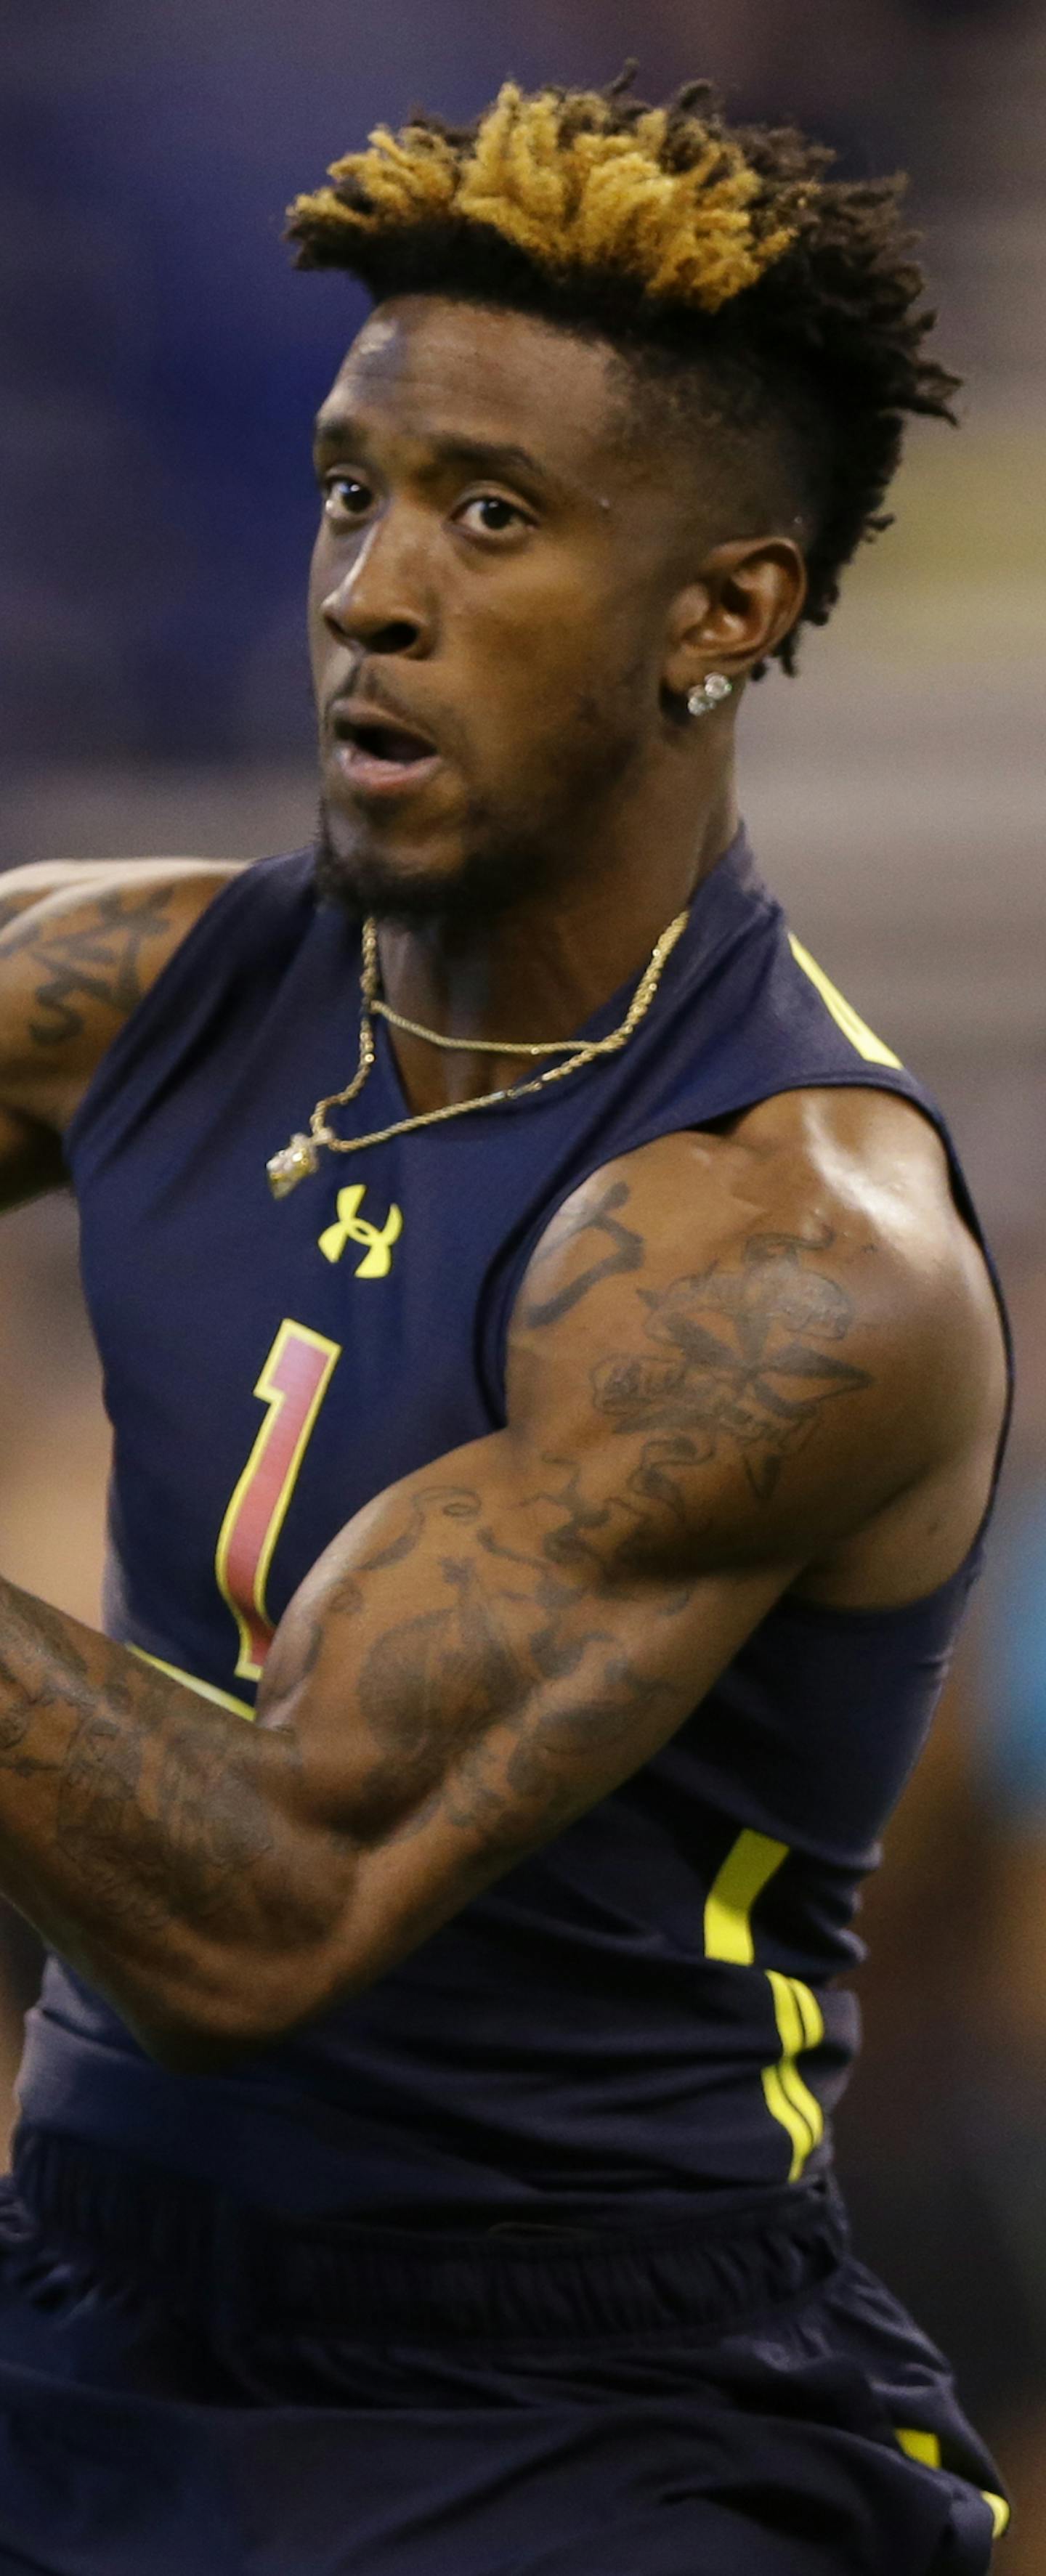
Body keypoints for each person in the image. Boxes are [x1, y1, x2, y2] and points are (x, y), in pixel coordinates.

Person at [0, 73, 1013, 2576]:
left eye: (492, 515)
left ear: (730, 611)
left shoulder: (789, 1255)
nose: (368, 586)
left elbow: (271, 1899)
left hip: (574, 2409)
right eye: (354, 488)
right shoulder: (123, 982)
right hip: (86, 2297)